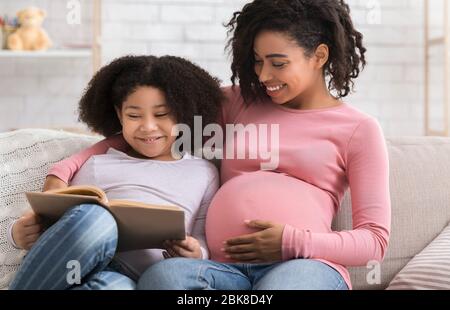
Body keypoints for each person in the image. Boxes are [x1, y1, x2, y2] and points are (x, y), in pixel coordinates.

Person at [28, 0, 390, 290]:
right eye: (258, 61)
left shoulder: (359, 129)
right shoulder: (239, 102)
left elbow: (373, 242)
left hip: (304, 265)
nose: (263, 76)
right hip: (217, 271)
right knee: (163, 279)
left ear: (320, 56)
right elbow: (152, 128)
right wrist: (64, 170)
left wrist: (294, 242)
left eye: (278, 63)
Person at [8, 55, 223, 290]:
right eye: (133, 115)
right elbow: (64, 227)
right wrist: (17, 234)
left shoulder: (203, 172)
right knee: (96, 219)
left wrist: (195, 252)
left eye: (161, 114)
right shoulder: (98, 164)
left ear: (183, 113)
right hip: (88, 264)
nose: (148, 126)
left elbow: (203, 239)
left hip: (138, 279)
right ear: (119, 115)